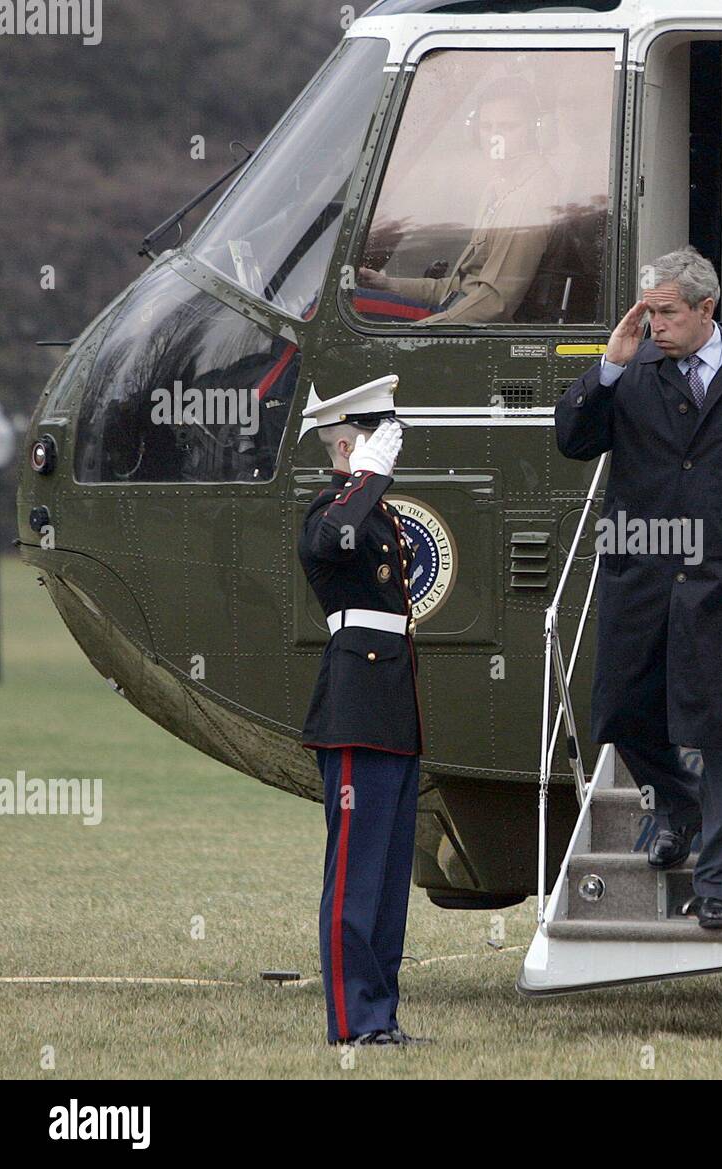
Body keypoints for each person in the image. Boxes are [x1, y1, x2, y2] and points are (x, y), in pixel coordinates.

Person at [555, 247, 722, 929]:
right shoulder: (633, 370)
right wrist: (610, 365)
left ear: (709, 308)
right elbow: (571, 438)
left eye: (667, 312)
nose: (654, 325)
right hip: (639, 576)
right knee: (621, 711)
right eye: (647, 311)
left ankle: (715, 883)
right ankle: (678, 803)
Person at [297, 375, 428, 1046]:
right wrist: (366, 474)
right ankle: (352, 1020)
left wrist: (372, 480)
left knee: (384, 880)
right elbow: (333, 539)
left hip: (392, 710)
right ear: (349, 444)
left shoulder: (380, 515)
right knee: (352, 876)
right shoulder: (330, 512)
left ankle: (381, 1014)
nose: (392, 452)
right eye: (380, 438)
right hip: (355, 705)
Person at [359, 77, 560, 324]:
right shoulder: (497, 189)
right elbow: (463, 286)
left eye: (508, 127)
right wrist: (388, 284)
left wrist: (417, 332)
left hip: (473, 333)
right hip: (458, 312)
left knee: (351, 305)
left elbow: (494, 303)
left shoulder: (528, 198)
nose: (496, 138)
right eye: (487, 127)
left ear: (536, 131)